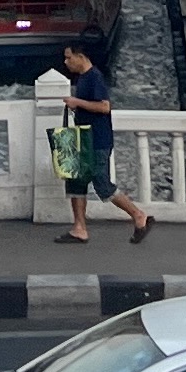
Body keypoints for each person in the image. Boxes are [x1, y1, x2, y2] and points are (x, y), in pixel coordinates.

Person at [57, 40, 153, 251]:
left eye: (68, 57)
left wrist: (77, 103)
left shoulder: (94, 78)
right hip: (82, 138)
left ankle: (138, 215)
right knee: (76, 182)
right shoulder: (83, 79)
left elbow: (104, 106)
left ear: (80, 56)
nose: (66, 62)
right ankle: (79, 228)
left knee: (102, 184)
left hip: (97, 140)